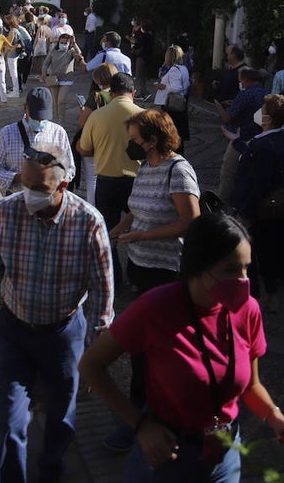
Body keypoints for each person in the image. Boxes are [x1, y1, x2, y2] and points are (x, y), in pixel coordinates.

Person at [78, 213, 284, 482]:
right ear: (198, 267)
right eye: (231, 270)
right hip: (168, 456)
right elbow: (90, 366)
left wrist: (278, 421)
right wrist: (141, 426)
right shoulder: (155, 308)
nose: (243, 280)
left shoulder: (247, 310)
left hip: (225, 453)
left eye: (247, 268)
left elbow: (250, 385)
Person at [0, 142, 115, 483]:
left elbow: (103, 292)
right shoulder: (6, 211)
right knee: (9, 420)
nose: (29, 195)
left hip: (63, 334)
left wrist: (95, 352)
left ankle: (51, 470)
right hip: (14, 330)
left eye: (39, 189)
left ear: (63, 185)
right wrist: (4, 307)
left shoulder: (89, 222)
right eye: (24, 185)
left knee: (61, 417)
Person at [104, 109, 200, 451]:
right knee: (141, 348)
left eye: (134, 140)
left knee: (157, 349)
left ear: (153, 140)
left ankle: (157, 419)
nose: (131, 145)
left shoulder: (178, 170)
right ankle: (142, 415)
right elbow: (136, 208)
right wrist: (116, 230)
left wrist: (143, 238)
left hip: (167, 273)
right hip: (142, 270)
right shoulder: (146, 167)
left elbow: (190, 222)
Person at [227, 94, 284, 311]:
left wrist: (243, 212)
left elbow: (256, 183)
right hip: (275, 202)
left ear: (268, 117)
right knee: (267, 251)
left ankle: (255, 298)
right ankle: (269, 294)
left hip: (258, 208)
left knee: (253, 254)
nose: (259, 112)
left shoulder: (263, 146)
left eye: (263, 109)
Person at [77, 72, 141, 286]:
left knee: (109, 233)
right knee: (140, 230)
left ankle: (115, 279)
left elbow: (84, 150)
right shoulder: (145, 115)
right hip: (138, 184)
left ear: (110, 93)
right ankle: (137, 274)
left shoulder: (97, 116)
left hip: (106, 182)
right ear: (133, 93)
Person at [0, 87, 74, 195]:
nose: (39, 122)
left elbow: (70, 167)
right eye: (36, 117)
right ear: (25, 108)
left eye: (43, 118)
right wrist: (17, 177)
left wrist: (54, 179)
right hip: (17, 197)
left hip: (48, 197)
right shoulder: (7, 133)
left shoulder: (58, 132)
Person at [213, 67, 267, 203]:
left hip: (242, 136)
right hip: (261, 136)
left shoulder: (245, 94)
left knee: (228, 173)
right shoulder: (265, 93)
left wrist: (218, 105)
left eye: (241, 81)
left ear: (246, 80)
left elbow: (227, 117)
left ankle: (221, 203)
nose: (240, 84)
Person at [77, 63, 119, 203]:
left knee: (92, 178)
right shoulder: (118, 95)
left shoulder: (96, 96)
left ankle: (93, 208)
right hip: (114, 141)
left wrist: (82, 112)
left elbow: (83, 121)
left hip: (96, 141)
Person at [40, 31, 84, 125]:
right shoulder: (53, 51)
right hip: (54, 79)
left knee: (61, 100)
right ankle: (58, 119)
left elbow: (79, 54)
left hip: (66, 79)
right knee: (55, 101)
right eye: (62, 43)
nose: (63, 44)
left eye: (65, 43)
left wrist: (74, 43)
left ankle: (61, 121)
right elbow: (46, 63)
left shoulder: (71, 51)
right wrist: (44, 72)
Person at [154, 45, 192, 148]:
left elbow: (176, 88)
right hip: (181, 103)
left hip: (172, 104)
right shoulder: (184, 68)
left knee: (171, 132)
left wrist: (162, 86)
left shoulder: (174, 70)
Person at [3, 15, 31, 98]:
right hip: (15, 53)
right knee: (14, 72)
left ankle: (15, 91)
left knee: (13, 73)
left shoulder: (12, 31)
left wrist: (4, 54)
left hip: (12, 54)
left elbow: (9, 45)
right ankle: (16, 90)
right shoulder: (16, 30)